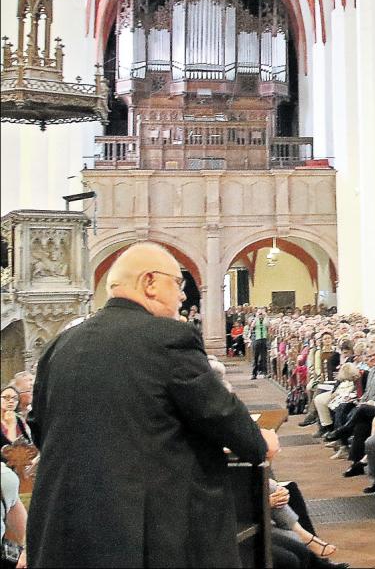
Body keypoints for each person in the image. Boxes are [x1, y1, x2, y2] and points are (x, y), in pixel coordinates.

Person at [26, 242, 279, 567]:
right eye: (177, 283)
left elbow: (39, 427)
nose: (183, 295)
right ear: (149, 282)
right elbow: (219, 412)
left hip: (64, 530)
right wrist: (259, 443)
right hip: (149, 532)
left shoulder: (60, 343)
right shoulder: (168, 337)